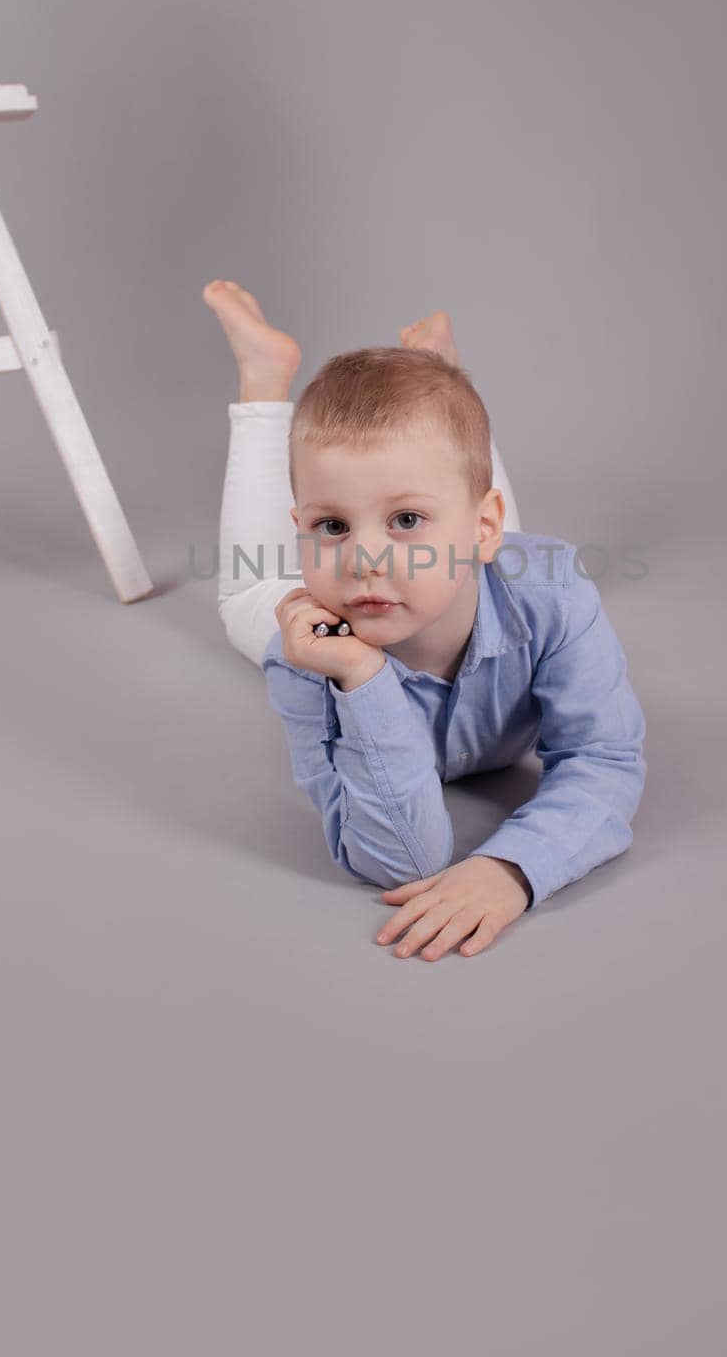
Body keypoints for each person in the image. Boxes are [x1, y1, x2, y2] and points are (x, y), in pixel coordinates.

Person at [205, 279, 647, 961]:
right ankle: (265, 381)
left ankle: (445, 381)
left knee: (491, 550)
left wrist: (513, 869)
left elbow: (604, 759)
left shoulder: (557, 594)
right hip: (377, 611)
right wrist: (359, 678)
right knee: (247, 594)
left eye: (404, 520)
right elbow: (400, 859)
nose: (362, 562)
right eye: (330, 525)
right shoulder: (303, 655)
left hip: (492, 563)